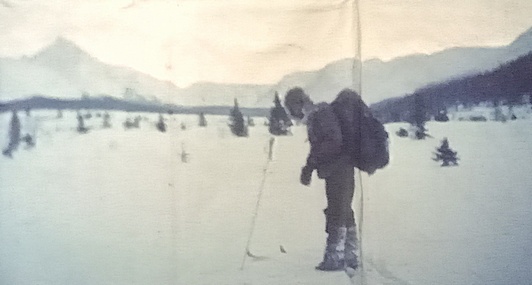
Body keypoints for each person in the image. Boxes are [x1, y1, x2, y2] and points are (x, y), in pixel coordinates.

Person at [284, 87, 358, 271]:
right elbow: (323, 144)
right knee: (343, 208)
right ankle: (350, 253)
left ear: (299, 104)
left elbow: (333, 141)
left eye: (292, 110)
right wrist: (310, 165)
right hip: (339, 167)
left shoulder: (321, 115)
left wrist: (312, 164)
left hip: (339, 168)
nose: (293, 116)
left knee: (337, 209)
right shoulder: (318, 115)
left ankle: (335, 256)